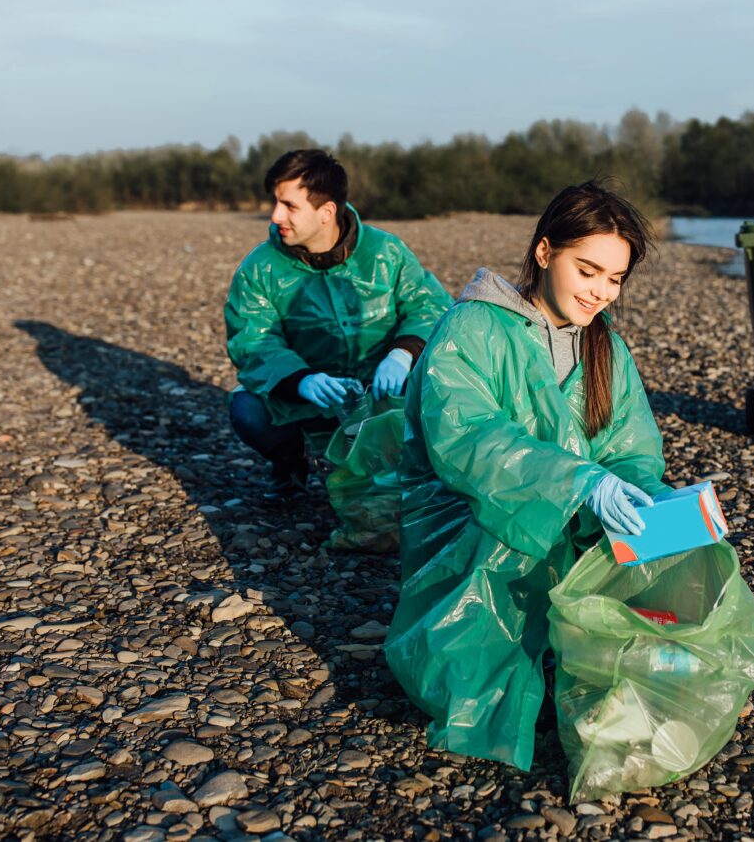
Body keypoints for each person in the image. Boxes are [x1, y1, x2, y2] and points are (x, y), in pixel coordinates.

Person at [383, 181, 672, 771]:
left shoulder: (606, 350)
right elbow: (468, 440)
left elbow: (632, 448)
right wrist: (578, 484)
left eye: (614, 279)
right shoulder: (472, 330)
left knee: (676, 547)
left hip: (569, 520)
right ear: (545, 253)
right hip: (472, 526)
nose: (600, 293)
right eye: (587, 270)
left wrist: (639, 497)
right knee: (497, 576)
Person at [224, 149, 452, 500]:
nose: (275, 216)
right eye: (275, 202)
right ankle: (291, 460)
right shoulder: (260, 268)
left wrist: (403, 354)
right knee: (247, 409)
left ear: (326, 211)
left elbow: (430, 306)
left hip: (383, 394)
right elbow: (252, 341)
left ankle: (407, 465)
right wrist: (301, 380)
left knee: (449, 391)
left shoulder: (386, 252)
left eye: (289, 206)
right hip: (310, 399)